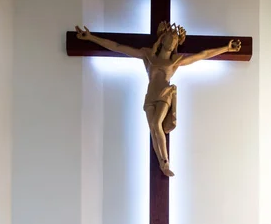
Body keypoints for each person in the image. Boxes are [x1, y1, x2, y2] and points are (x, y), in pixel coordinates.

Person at [76, 23, 241, 176]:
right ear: (162, 39)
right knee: (153, 129)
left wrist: (227, 48)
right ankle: (162, 162)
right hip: (150, 96)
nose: (172, 41)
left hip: (164, 93)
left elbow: (202, 55)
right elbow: (118, 47)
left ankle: (165, 163)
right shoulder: (148, 56)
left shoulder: (175, 61)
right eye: (170, 37)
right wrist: (91, 38)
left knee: (156, 125)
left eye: (175, 39)